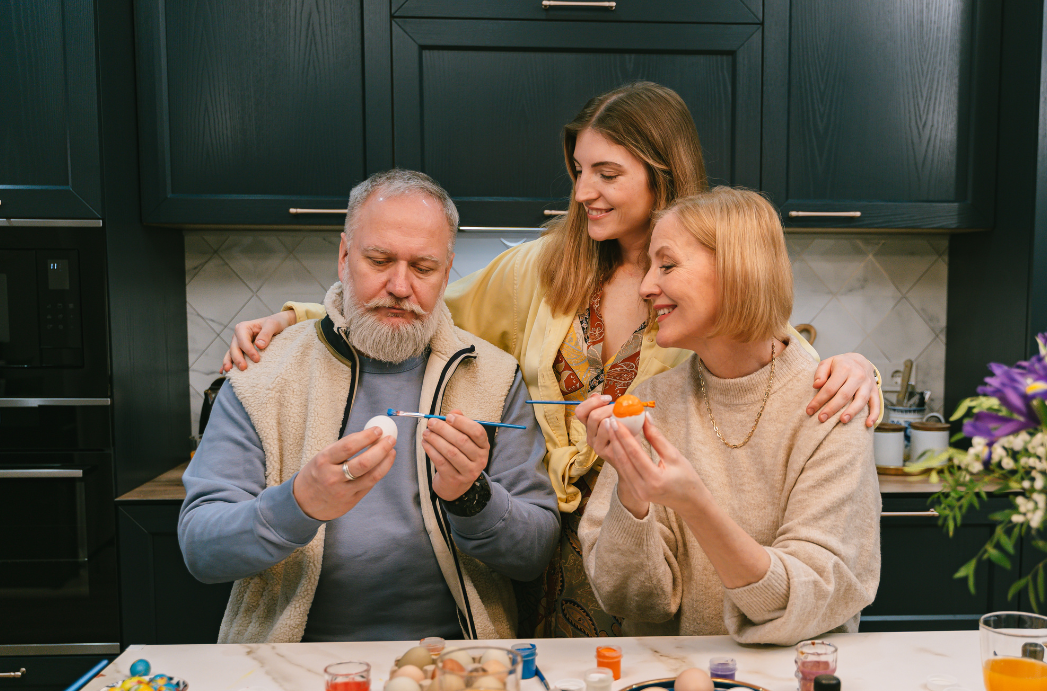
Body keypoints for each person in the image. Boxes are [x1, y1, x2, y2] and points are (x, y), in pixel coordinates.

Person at [218, 83, 881, 638]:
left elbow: (769, 345)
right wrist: (297, 319)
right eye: (580, 171)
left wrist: (860, 369)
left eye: (608, 173)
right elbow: (415, 300)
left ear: (663, 172)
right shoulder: (540, 268)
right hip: (541, 542)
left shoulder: (701, 287)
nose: (585, 190)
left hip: (664, 537)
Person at [180, 170, 560, 643]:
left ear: (447, 270)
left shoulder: (495, 378)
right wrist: (298, 504)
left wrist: (471, 497)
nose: (400, 286)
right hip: (292, 667)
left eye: (423, 268)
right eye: (379, 261)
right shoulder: (262, 372)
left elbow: (535, 555)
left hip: (460, 666)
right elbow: (200, 548)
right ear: (343, 256)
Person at [575, 187, 881, 645]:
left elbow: (809, 598)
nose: (645, 287)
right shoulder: (651, 402)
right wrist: (632, 492)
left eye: (668, 265)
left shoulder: (832, 404)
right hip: (672, 680)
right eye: (648, 267)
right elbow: (630, 600)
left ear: (737, 270)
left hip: (799, 686)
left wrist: (694, 504)